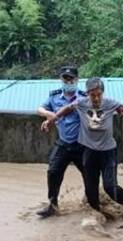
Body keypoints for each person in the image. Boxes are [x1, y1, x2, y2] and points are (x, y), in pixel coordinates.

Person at [52, 77, 123, 212]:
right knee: (91, 192)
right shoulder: (81, 103)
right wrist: (52, 119)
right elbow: (66, 109)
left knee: (110, 188)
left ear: (103, 93)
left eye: (99, 95)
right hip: (89, 152)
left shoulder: (110, 104)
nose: (96, 98)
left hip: (108, 152)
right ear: (87, 94)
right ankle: (100, 215)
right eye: (92, 95)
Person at [37, 65, 85, 218]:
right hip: (63, 144)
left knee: (90, 174)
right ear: (61, 79)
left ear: (77, 80)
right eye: (65, 78)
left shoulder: (84, 97)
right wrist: (48, 114)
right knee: (53, 172)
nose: (68, 81)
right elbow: (39, 109)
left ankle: (93, 202)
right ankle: (52, 205)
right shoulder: (54, 97)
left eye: (71, 78)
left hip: (81, 145)